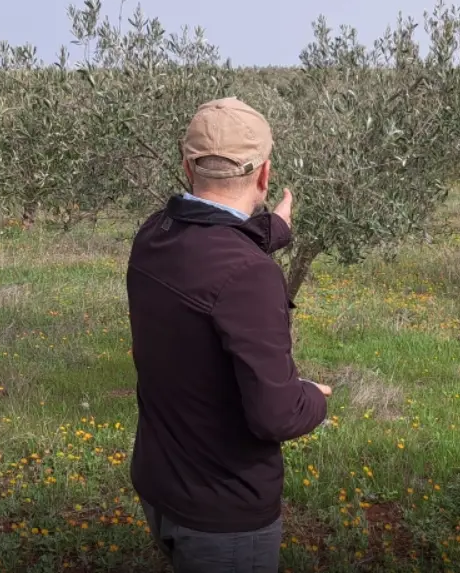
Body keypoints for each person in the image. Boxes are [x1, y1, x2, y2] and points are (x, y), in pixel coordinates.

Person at [125, 96, 332, 572]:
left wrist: (271, 231)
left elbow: (209, 247)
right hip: (223, 512)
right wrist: (313, 397)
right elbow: (275, 416)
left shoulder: (153, 235)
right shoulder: (249, 275)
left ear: (186, 165)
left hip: (160, 484)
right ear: (264, 174)